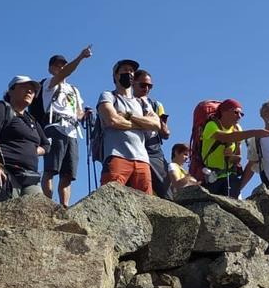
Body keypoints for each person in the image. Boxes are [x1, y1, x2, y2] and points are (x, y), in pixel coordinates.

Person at [30, 46, 92, 207]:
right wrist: (80, 58)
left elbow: (78, 112)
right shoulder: (49, 84)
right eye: (57, 65)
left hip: (72, 130)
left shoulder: (74, 90)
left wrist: (84, 115)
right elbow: (67, 73)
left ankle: (64, 207)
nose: (61, 67)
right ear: (51, 68)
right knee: (51, 168)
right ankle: (47, 204)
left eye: (63, 64)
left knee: (68, 174)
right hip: (54, 126)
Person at [0, 75, 50, 200]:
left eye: (32, 90)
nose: (29, 91)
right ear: (11, 90)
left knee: (38, 212)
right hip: (3, 170)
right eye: (24, 87)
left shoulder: (32, 120)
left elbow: (46, 145)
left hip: (29, 176)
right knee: (3, 212)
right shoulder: (1, 108)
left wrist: (33, 151)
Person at [97, 59, 162, 194]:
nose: (130, 73)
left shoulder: (142, 102)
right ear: (116, 75)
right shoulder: (108, 95)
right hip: (116, 156)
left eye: (132, 71)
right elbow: (113, 120)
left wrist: (128, 115)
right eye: (125, 70)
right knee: (111, 200)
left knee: (146, 204)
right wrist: (142, 125)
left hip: (142, 160)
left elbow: (156, 125)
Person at [199, 99, 269, 198]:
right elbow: (226, 137)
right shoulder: (211, 125)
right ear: (224, 112)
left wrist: (231, 157)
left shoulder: (237, 128)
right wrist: (254, 132)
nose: (239, 116)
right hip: (212, 178)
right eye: (236, 112)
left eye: (242, 114)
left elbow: (238, 158)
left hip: (231, 177)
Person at [133, 69, 172, 197]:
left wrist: (161, 125)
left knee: (166, 192)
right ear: (133, 83)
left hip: (153, 149)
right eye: (143, 85)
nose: (147, 88)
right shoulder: (126, 101)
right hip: (134, 148)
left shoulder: (156, 105)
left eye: (150, 86)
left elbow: (165, 133)